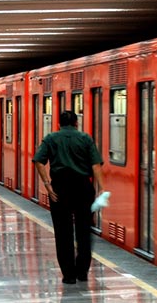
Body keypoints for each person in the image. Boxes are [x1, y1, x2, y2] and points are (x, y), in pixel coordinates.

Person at [32, 110, 108, 284]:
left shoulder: (51, 138)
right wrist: (102, 188)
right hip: (83, 188)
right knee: (83, 231)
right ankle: (82, 272)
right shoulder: (86, 138)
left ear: (59, 124)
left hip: (60, 189)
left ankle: (69, 275)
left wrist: (47, 185)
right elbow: (96, 166)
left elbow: (38, 161)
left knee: (63, 232)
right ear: (76, 123)